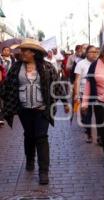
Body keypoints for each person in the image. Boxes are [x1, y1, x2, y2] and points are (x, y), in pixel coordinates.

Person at [0, 38, 69, 185]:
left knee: (41, 137)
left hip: (42, 109)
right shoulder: (16, 67)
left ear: (34, 53)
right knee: (29, 136)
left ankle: (43, 171)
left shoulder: (47, 67)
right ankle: (30, 159)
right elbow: (6, 86)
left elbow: (56, 84)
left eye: (25, 50)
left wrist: (64, 102)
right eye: (22, 50)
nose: (22, 52)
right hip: (24, 110)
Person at [73, 45, 98, 143]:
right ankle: (89, 135)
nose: (94, 54)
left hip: (98, 93)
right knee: (87, 115)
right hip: (84, 93)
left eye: (95, 52)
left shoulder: (99, 63)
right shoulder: (81, 64)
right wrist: (77, 94)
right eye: (91, 52)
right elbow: (77, 80)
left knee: (100, 115)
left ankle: (100, 136)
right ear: (86, 53)